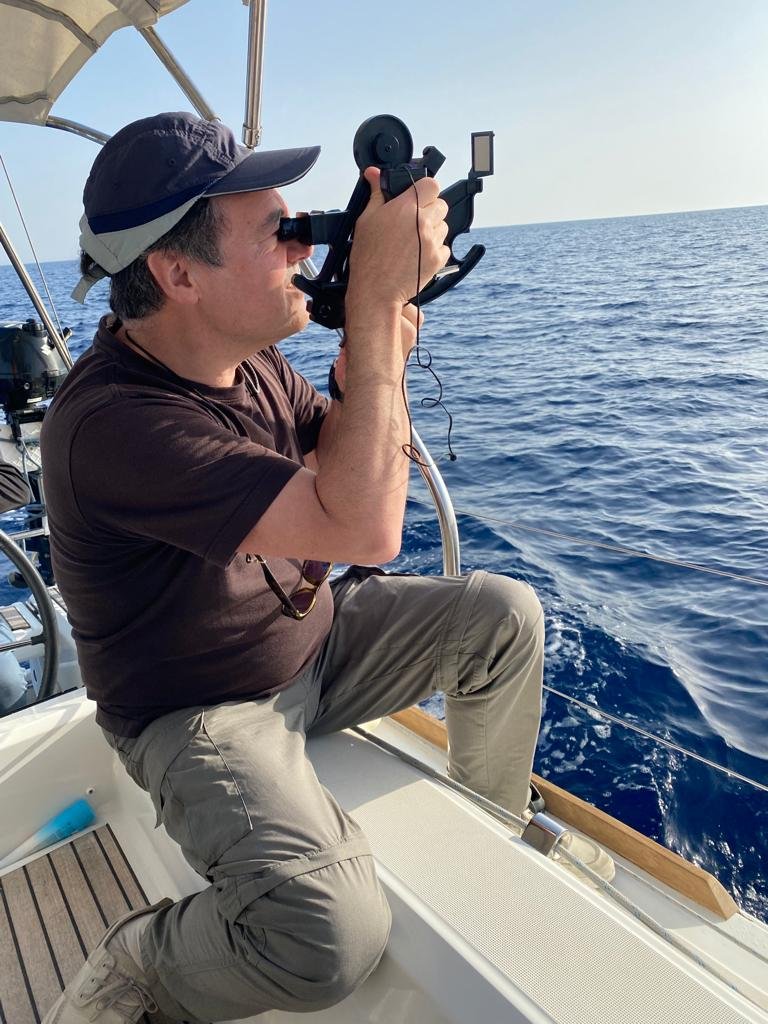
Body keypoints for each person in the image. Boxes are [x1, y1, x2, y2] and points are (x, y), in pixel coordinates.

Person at [40, 111, 608, 1024]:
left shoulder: (250, 360)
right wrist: (378, 306)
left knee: (502, 616)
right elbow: (367, 529)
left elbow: (337, 451)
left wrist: (361, 362)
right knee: (327, 937)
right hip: (199, 709)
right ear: (177, 273)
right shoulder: (111, 427)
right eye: (280, 232)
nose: (307, 246)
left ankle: (488, 825)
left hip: (314, 647)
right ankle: (143, 958)